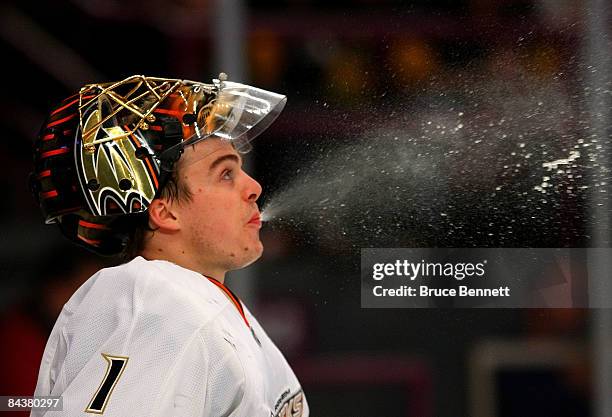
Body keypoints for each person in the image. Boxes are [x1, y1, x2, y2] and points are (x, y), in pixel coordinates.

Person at [28, 74, 308, 416]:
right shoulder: (154, 304)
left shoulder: (186, 299)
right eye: (225, 174)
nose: (253, 187)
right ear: (165, 212)